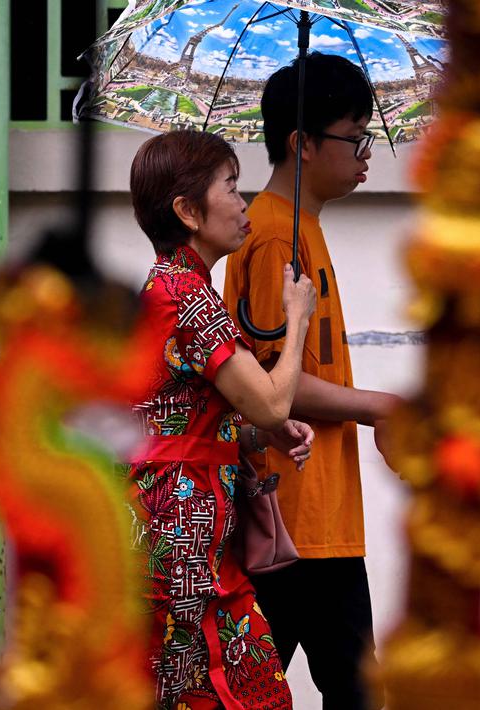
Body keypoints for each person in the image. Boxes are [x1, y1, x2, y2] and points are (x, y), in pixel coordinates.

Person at [223, 53, 401, 710]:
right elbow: (271, 384)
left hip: (315, 510)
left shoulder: (297, 228)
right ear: (301, 142)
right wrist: (376, 405)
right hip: (293, 516)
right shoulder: (272, 236)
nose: (363, 155)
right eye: (353, 138)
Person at [128, 130, 318, 710]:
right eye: (231, 188)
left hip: (181, 527)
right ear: (187, 211)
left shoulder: (169, 289)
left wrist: (259, 430)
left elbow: (181, 416)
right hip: (183, 534)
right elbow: (271, 400)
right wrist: (298, 319)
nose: (243, 204)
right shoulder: (189, 296)